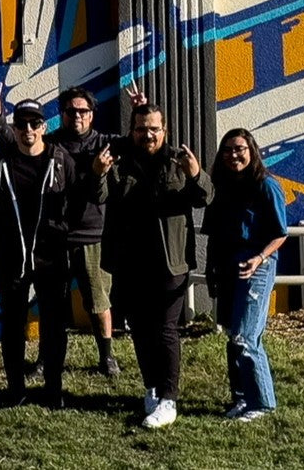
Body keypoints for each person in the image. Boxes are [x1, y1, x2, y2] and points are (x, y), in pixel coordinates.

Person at [93, 93, 212, 430]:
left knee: (166, 330)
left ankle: (169, 399)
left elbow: (205, 197)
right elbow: (97, 196)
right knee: (142, 331)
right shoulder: (119, 162)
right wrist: (98, 173)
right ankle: (152, 388)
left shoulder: (178, 161)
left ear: (165, 131)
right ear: (132, 130)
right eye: (142, 128)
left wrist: (196, 174)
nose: (148, 135)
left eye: (155, 129)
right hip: (130, 262)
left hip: (171, 263)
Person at [0, 98, 80, 407]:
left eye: (34, 123)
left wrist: (62, 235)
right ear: (14, 127)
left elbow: (77, 203)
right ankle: (16, 389)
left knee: (53, 323)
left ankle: (53, 389)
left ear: (44, 127)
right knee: (13, 323)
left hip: (51, 257)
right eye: (21, 124)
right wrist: (0, 235)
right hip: (12, 257)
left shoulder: (61, 160)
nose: (27, 130)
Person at [202, 128, 289, 423]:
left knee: (246, 336)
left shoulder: (265, 185)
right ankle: (240, 398)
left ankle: (262, 403)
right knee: (232, 336)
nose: (233, 155)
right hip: (226, 266)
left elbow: (280, 233)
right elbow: (213, 232)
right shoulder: (221, 186)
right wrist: (211, 269)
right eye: (227, 150)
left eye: (239, 149)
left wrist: (259, 258)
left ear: (252, 151)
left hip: (256, 266)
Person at [50, 85, 121, 377]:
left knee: (98, 300)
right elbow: (12, 142)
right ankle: (48, 359)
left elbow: (139, 142)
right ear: (62, 114)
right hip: (55, 236)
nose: (76, 116)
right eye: (70, 111)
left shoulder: (105, 143)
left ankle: (107, 357)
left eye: (83, 111)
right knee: (53, 303)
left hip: (93, 235)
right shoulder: (50, 143)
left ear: (92, 115)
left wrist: (141, 110)